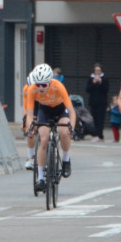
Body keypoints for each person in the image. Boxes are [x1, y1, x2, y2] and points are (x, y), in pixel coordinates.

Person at [24, 63, 76, 191]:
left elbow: (71, 111)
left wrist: (72, 128)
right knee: (44, 139)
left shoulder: (58, 86)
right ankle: (41, 178)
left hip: (60, 110)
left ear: (49, 82)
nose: (40, 88)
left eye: (44, 85)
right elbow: (29, 114)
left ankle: (66, 159)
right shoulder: (32, 90)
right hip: (45, 111)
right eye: (38, 84)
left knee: (64, 132)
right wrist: (30, 127)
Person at [85, 63, 110, 141]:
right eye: (96, 70)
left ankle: (100, 135)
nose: (97, 72)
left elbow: (106, 89)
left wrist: (101, 82)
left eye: (99, 70)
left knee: (100, 119)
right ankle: (96, 134)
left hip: (102, 102)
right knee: (94, 119)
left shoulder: (105, 79)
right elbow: (87, 89)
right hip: (93, 102)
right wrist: (93, 83)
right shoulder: (91, 79)